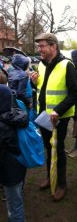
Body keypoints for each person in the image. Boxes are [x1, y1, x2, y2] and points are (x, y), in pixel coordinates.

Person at [31, 32, 77, 201]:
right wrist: (33, 82)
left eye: (42, 46)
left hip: (59, 118)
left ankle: (62, 184)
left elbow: (75, 93)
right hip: (43, 116)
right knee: (47, 147)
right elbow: (42, 87)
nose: (39, 49)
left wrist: (58, 110)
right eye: (39, 46)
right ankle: (50, 177)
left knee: (58, 150)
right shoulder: (42, 64)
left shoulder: (67, 65)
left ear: (53, 46)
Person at [0, 84, 28, 222]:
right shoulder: (14, 114)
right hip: (19, 165)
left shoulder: (2, 125)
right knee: (16, 197)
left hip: (8, 171)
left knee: (14, 207)